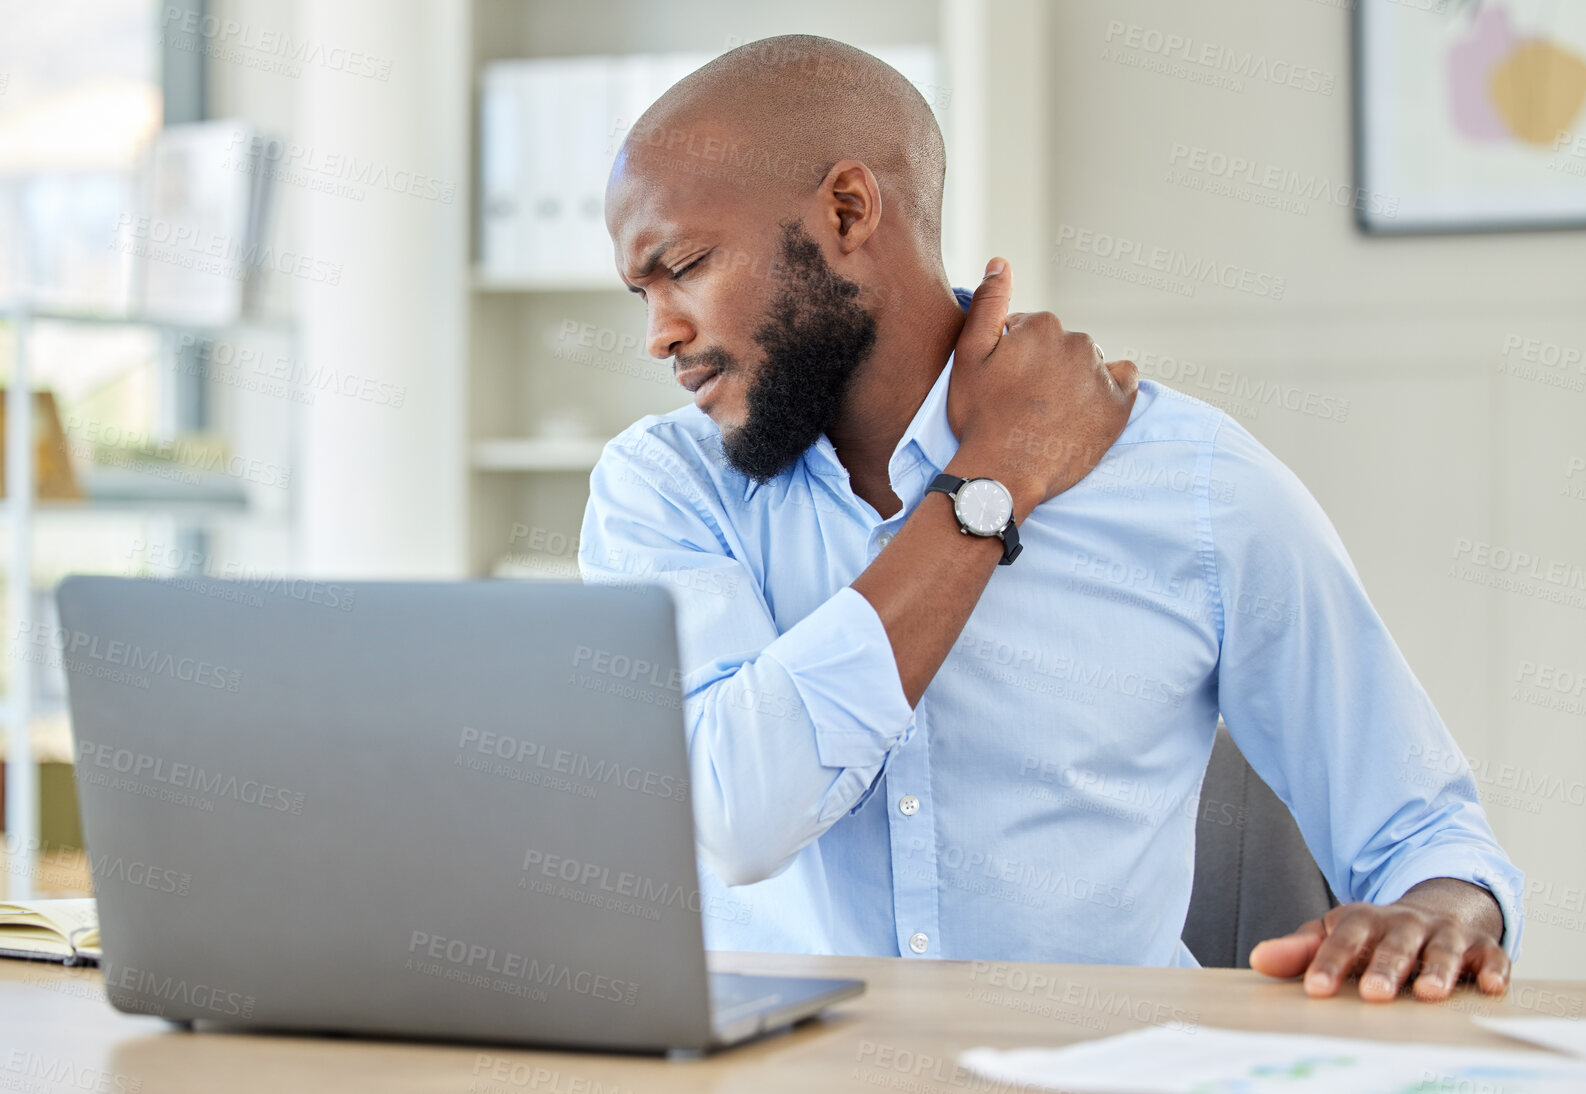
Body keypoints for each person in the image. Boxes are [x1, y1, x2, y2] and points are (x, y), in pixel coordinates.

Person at [579, 34, 1519, 1002]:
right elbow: (739, 814)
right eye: (639, 292)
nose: (659, 334)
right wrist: (990, 484)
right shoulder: (661, 489)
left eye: (683, 265)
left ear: (847, 210)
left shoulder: (1190, 483)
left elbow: (1422, 834)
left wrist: (1437, 909)